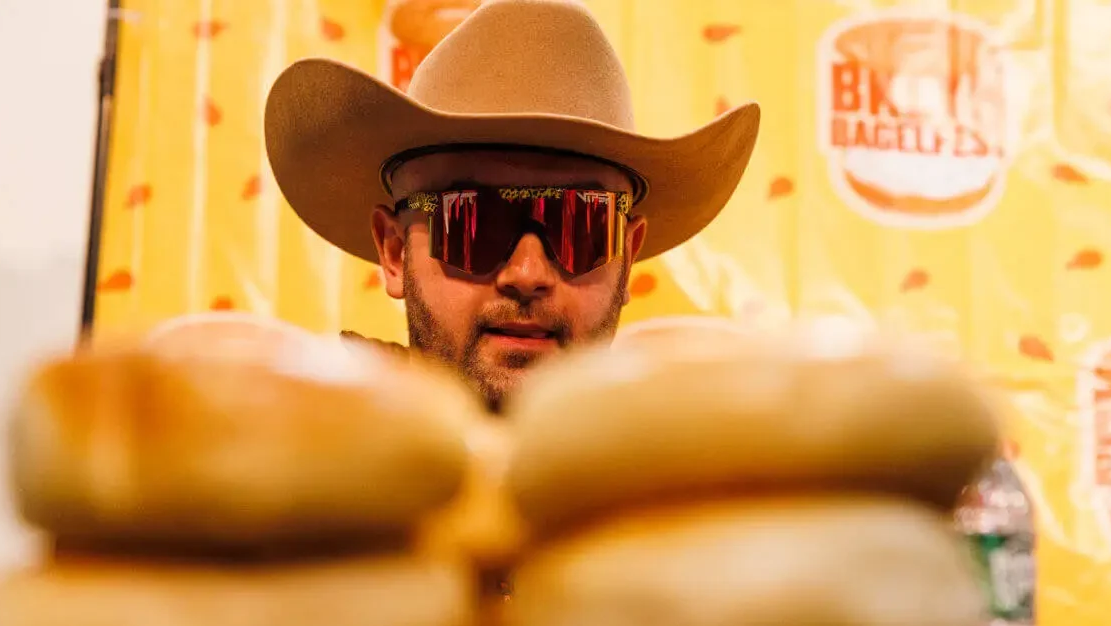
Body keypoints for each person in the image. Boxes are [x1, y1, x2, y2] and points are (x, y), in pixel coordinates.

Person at [265, 0, 760, 410]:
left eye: (580, 225)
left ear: (627, 258)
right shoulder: (286, 480)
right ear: (394, 252)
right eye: (473, 222)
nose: (527, 273)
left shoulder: (690, 502)